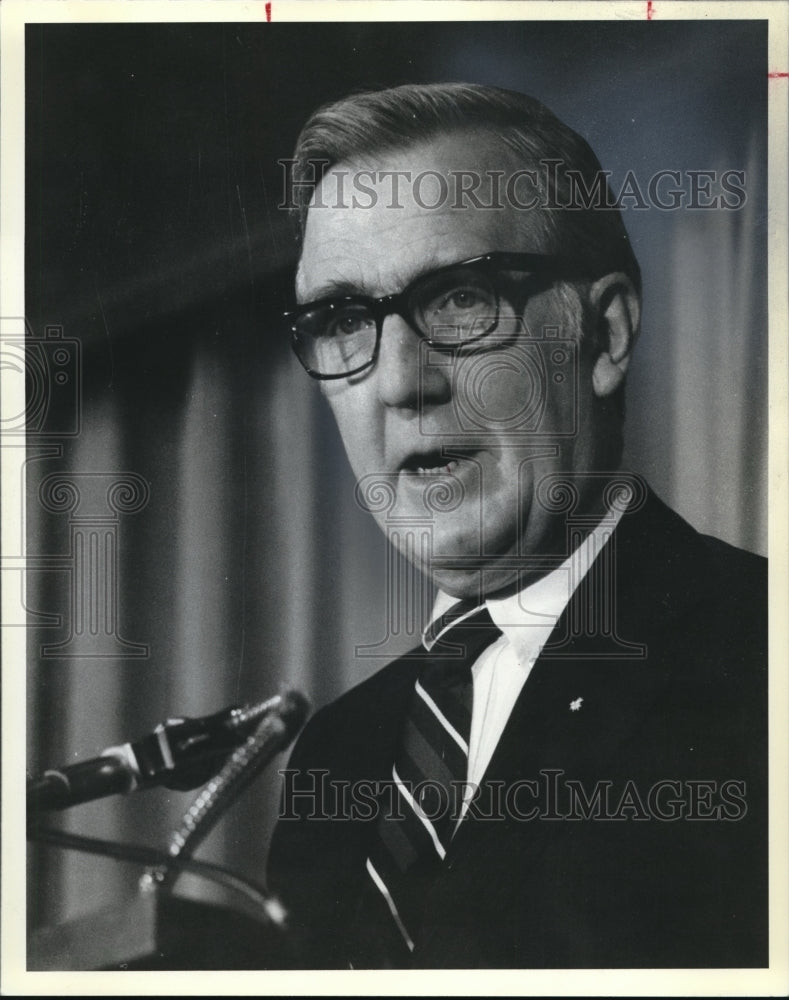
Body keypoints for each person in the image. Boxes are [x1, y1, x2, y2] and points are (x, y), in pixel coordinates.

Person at [266, 83, 767, 969]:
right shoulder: (336, 754)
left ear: (604, 336)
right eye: (343, 320)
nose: (398, 382)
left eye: (459, 300)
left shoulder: (760, 652)